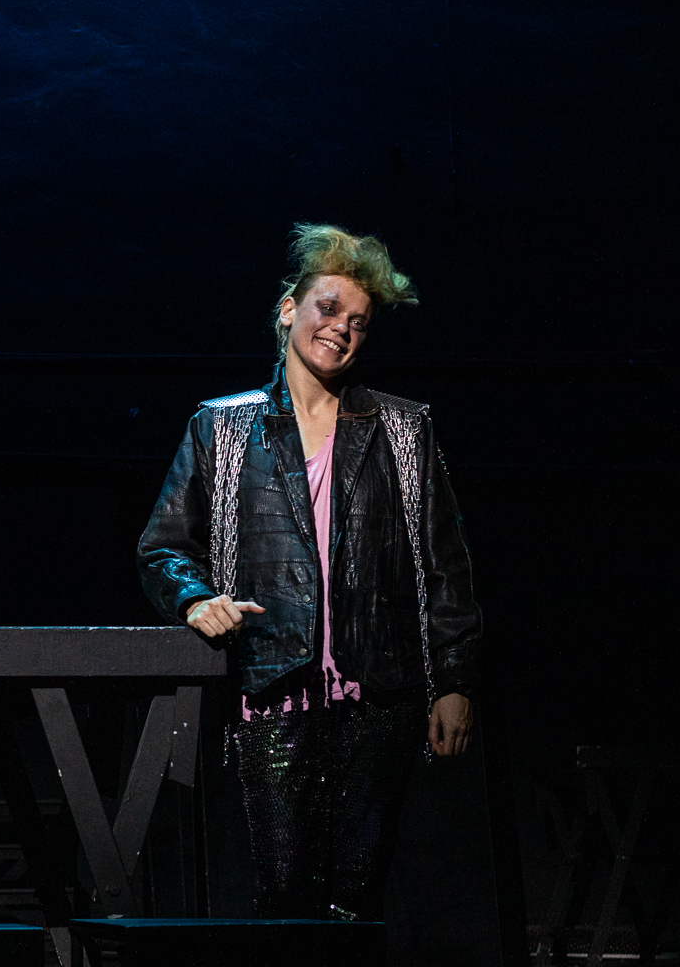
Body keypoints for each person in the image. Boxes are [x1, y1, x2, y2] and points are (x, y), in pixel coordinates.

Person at [137, 224, 481, 920]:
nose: (341, 329)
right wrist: (195, 600)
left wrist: (454, 682)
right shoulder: (221, 427)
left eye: (359, 321)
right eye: (329, 308)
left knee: (358, 898)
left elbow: (446, 566)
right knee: (283, 898)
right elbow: (163, 548)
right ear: (288, 310)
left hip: (379, 695)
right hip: (271, 691)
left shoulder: (403, 429)